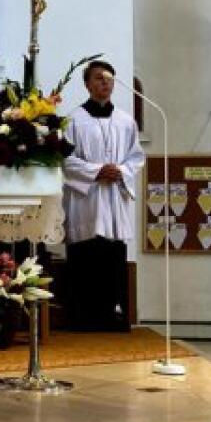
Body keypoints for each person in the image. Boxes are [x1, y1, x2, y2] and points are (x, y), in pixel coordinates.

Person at [62, 60, 145, 331]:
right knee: (85, 253)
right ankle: (82, 316)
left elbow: (136, 157)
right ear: (87, 84)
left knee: (113, 252)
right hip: (86, 198)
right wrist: (97, 171)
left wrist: (120, 171)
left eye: (109, 78)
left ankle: (111, 314)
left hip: (114, 197)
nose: (105, 82)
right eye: (99, 78)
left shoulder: (125, 121)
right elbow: (64, 160)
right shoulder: (73, 120)